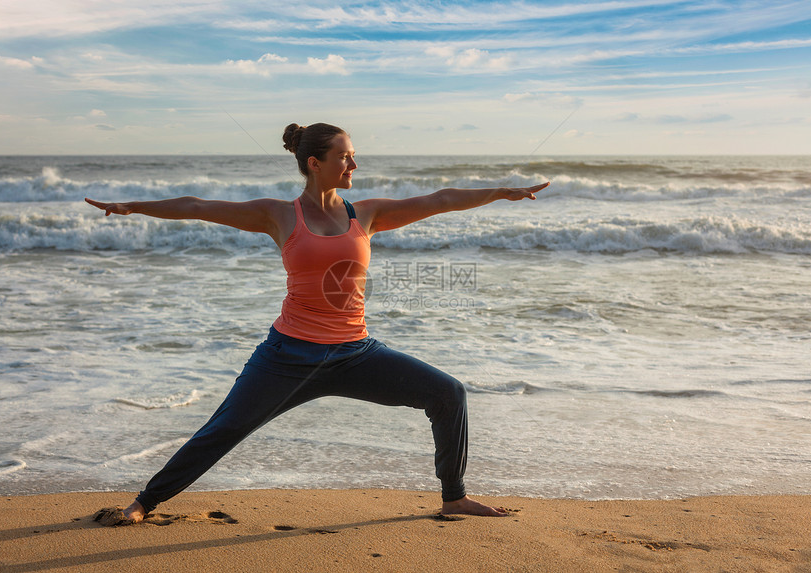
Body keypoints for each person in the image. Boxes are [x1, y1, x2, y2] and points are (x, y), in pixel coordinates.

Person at [86, 122, 549, 524]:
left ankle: (454, 498)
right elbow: (197, 206)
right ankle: (146, 502)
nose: (353, 165)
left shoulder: (365, 214)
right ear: (314, 163)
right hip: (287, 355)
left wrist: (500, 192)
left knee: (448, 393)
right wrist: (135, 206)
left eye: (354, 157)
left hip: (356, 353)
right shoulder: (279, 215)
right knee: (224, 428)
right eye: (345, 158)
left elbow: (440, 198)